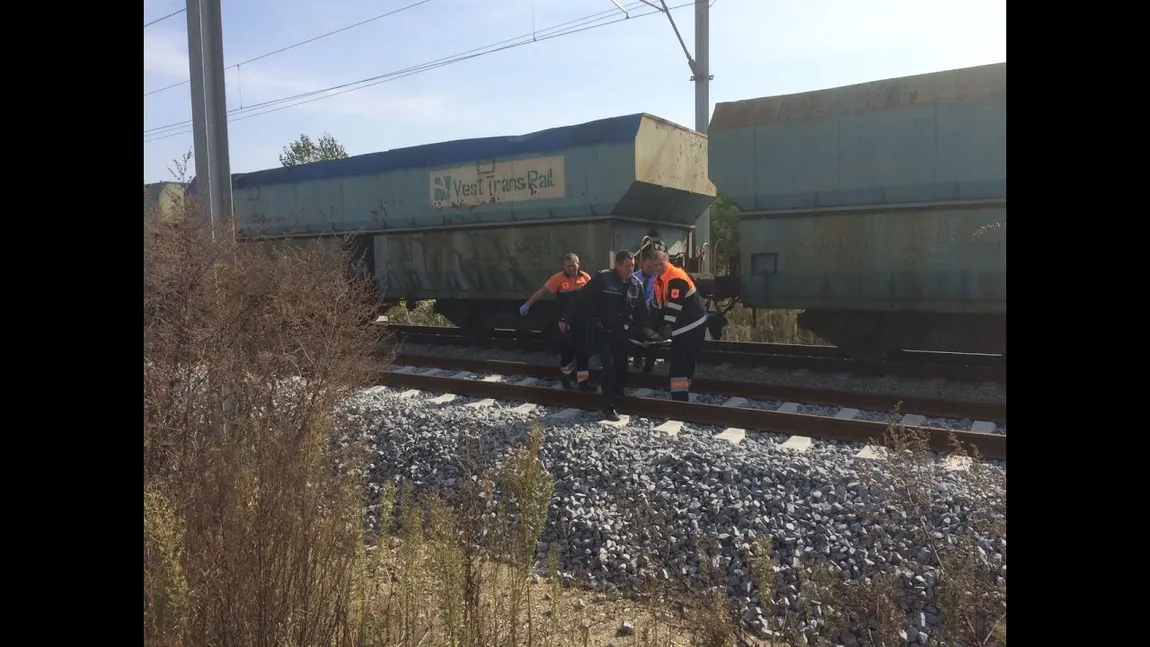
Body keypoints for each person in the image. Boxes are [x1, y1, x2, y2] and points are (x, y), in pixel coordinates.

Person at [563, 250, 657, 420]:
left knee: (622, 367)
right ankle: (608, 406)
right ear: (618, 265)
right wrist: (566, 317)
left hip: (621, 333)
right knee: (609, 366)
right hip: (602, 331)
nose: (630, 269)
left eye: (632, 266)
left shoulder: (637, 286)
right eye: (627, 266)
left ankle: (618, 395)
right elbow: (581, 299)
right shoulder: (603, 279)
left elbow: (642, 314)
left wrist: (649, 333)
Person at [519, 253, 592, 389]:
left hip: (582, 320)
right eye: (568, 266)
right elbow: (542, 291)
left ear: (578, 264)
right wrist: (528, 303)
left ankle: (583, 382)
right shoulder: (558, 279)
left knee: (583, 351)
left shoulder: (586, 277)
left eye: (573, 265)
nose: (571, 268)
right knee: (567, 350)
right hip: (565, 321)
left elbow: (593, 297)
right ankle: (566, 378)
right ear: (564, 266)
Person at [651, 249, 708, 402]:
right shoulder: (660, 279)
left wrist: (667, 326)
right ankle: (682, 394)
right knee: (685, 360)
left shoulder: (675, 277)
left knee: (679, 361)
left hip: (690, 325)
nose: (658, 268)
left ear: (667, 261)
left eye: (661, 264)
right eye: (655, 265)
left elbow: (674, 305)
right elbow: (661, 305)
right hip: (686, 326)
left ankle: (679, 398)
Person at [629, 245, 662, 373]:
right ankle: (637, 358)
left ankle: (649, 366)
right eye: (648, 266)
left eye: (653, 267)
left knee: (653, 340)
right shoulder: (634, 277)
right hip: (638, 314)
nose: (651, 269)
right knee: (637, 337)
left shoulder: (658, 278)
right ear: (642, 264)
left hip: (653, 314)